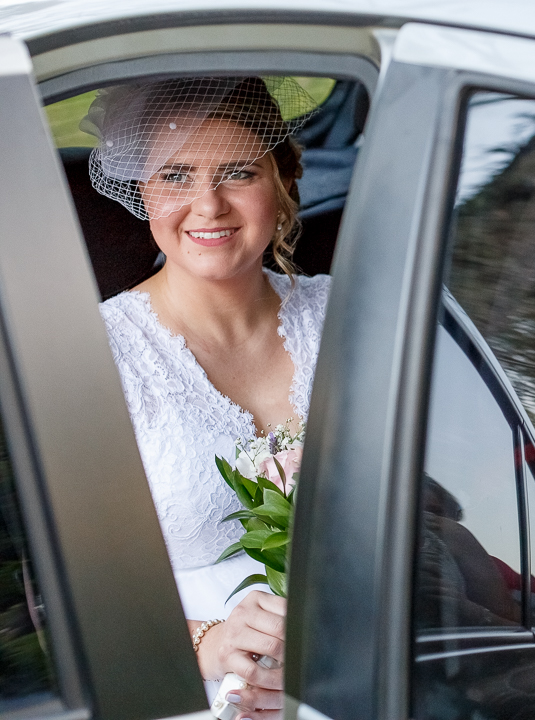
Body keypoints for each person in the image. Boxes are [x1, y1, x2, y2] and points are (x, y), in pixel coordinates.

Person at [85, 76, 329, 715]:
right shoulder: (94, 358)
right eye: (174, 176)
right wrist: (206, 644)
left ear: (281, 179)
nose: (208, 204)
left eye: (237, 172)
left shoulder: (353, 316)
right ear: (141, 189)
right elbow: (64, 590)